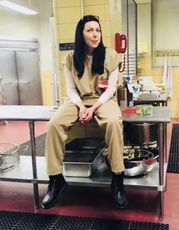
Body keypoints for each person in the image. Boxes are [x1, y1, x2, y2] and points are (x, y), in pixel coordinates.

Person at [41, 15, 127, 209]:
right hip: (78, 100)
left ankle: (117, 178)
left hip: (103, 100)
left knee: (113, 123)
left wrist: (94, 108)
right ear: (81, 34)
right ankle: (55, 179)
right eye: (90, 30)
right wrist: (81, 107)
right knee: (54, 124)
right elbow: (71, 90)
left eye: (97, 30)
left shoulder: (111, 55)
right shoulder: (70, 58)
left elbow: (111, 89)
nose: (95, 34)